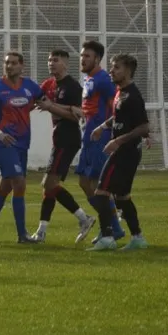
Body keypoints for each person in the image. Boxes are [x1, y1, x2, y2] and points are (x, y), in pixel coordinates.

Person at [0, 52, 44, 243]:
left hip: (23, 142)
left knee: (5, 186)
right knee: (19, 183)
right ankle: (22, 235)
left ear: (22, 66)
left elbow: (43, 99)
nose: (10, 66)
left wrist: (66, 108)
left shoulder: (29, 85)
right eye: (7, 63)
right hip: (5, 143)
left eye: (14, 63)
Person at [87, 54, 151, 252]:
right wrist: (102, 127)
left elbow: (144, 127)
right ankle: (138, 238)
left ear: (128, 71)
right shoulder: (120, 92)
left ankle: (107, 237)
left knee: (101, 193)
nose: (111, 71)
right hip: (127, 151)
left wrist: (117, 141)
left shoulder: (133, 96)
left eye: (116, 68)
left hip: (125, 152)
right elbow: (118, 118)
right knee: (122, 197)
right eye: (112, 67)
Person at [32, 50, 96, 242]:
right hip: (58, 137)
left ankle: (83, 219)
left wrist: (52, 107)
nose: (51, 63)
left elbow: (77, 116)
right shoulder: (49, 84)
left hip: (68, 138)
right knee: (49, 187)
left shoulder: (72, 87)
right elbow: (34, 99)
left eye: (55, 60)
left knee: (49, 184)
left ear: (66, 64)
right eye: (49, 60)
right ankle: (43, 231)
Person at [75, 41, 126, 243]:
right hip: (88, 138)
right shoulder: (88, 78)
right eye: (82, 55)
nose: (83, 59)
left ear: (97, 59)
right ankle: (112, 226)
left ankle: (111, 228)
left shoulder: (104, 80)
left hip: (100, 139)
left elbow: (117, 108)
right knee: (83, 182)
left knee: (98, 185)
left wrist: (108, 131)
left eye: (87, 56)